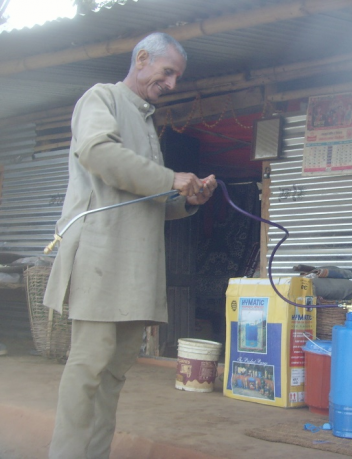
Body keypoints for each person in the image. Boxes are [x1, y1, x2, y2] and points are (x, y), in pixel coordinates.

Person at [43, 32, 216, 459]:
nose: (171, 83)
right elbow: (98, 153)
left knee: (115, 373)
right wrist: (170, 178)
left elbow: (144, 200)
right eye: (167, 72)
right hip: (101, 256)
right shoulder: (101, 98)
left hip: (136, 269)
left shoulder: (146, 121)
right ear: (141, 58)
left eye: (177, 77)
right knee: (89, 366)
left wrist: (186, 200)